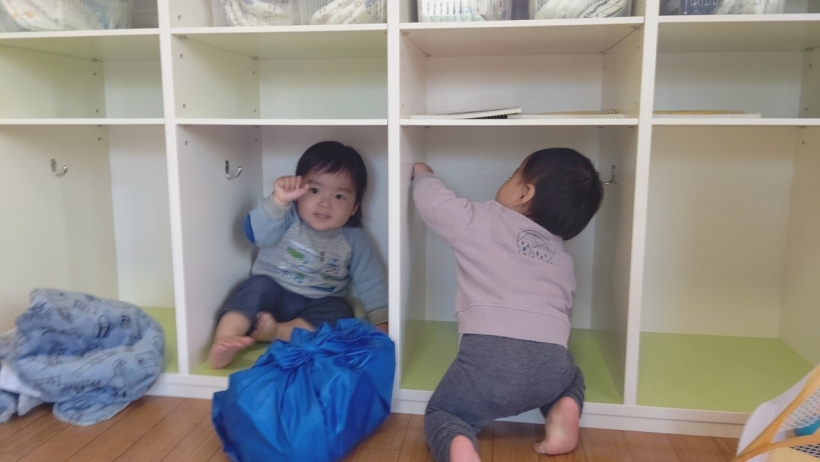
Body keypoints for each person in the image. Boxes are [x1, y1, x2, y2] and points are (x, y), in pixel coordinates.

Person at [412, 147, 604, 462]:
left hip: (489, 361)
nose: (506, 181)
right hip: (551, 362)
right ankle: (562, 408)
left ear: (524, 193)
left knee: (445, 411)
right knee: (572, 377)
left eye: (511, 177)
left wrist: (423, 175)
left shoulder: (481, 218)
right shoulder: (561, 256)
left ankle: (460, 446)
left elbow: (435, 205)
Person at [208, 141, 388, 369]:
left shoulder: (354, 238)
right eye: (315, 191)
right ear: (299, 190)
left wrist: (381, 321)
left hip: (316, 305)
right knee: (255, 287)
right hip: (272, 294)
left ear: (354, 207)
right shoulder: (285, 215)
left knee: (340, 310)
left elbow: (370, 280)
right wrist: (278, 200)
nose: (325, 203)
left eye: (339, 197)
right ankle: (226, 340)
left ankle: (278, 332)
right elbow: (256, 235)